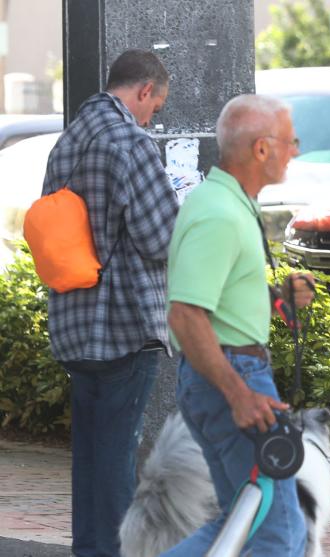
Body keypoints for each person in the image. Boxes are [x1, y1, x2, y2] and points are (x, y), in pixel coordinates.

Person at [161, 94, 315, 556]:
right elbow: (186, 315)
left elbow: (219, 303)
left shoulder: (225, 203)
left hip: (226, 374)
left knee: (245, 524)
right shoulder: (220, 215)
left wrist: (275, 299)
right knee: (278, 534)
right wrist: (239, 394)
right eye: (291, 141)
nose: (296, 151)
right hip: (232, 379)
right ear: (262, 148)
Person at [40, 49, 178, 557]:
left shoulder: (67, 142)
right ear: (144, 91)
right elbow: (161, 238)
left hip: (75, 322)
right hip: (123, 322)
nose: (152, 117)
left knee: (92, 457)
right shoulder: (129, 141)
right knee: (119, 458)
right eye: (155, 107)